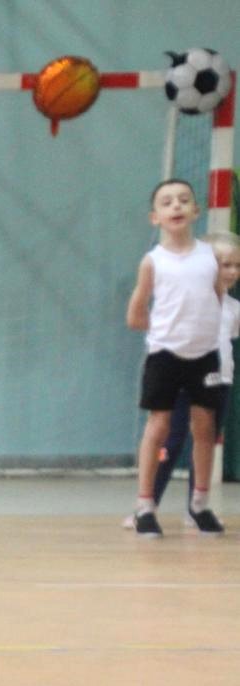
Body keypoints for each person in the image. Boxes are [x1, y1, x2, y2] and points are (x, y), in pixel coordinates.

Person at [124, 178, 227, 538]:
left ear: (196, 210)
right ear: (156, 217)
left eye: (184, 200)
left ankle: (199, 505)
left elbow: (217, 300)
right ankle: (145, 507)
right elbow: (136, 314)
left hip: (204, 356)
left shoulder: (209, 256)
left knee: (204, 429)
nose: (177, 206)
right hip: (166, 355)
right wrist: (164, 332)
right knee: (159, 427)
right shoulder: (153, 261)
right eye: (167, 202)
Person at [143, 231, 240, 528]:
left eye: (236, 265)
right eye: (224, 265)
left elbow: (227, 339)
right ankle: (147, 506)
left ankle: (196, 508)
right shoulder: (188, 301)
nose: (232, 272)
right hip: (184, 379)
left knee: (206, 441)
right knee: (170, 440)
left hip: (218, 380)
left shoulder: (234, 309)